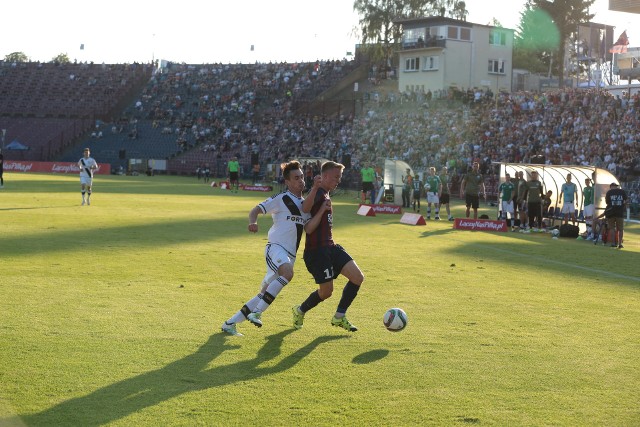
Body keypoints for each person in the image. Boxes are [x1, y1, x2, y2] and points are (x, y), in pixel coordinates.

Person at [221, 161, 326, 336]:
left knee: (264, 293)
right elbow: (255, 210)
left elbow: (308, 228)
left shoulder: (306, 205)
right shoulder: (281, 199)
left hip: (289, 255)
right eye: (296, 178)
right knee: (288, 274)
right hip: (276, 248)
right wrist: (253, 222)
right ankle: (257, 312)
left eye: (301, 177)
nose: (300, 180)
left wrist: (322, 209)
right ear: (287, 182)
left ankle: (230, 323)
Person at [292, 161, 365, 332]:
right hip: (316, 252)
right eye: (336, 177)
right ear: (324, 176)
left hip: (330, 247)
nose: (338, 181)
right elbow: (306, 216)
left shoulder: (325, 194)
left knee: (357, 277)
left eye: (339, 177)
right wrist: (315, 192)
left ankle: (339, 316)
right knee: (326, 292)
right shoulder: (318, 193)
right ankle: (299, 310)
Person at [604, 182, 628, 249]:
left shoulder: (609, 192)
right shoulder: (622, 191)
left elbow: (607, 202)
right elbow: (626, 200)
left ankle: (613, 243)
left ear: (611, 186)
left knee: (612, 228)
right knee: (620, 229)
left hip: (611, 213)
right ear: (616, 186)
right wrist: (623, 205)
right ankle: (620, 244)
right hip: (620, 213)